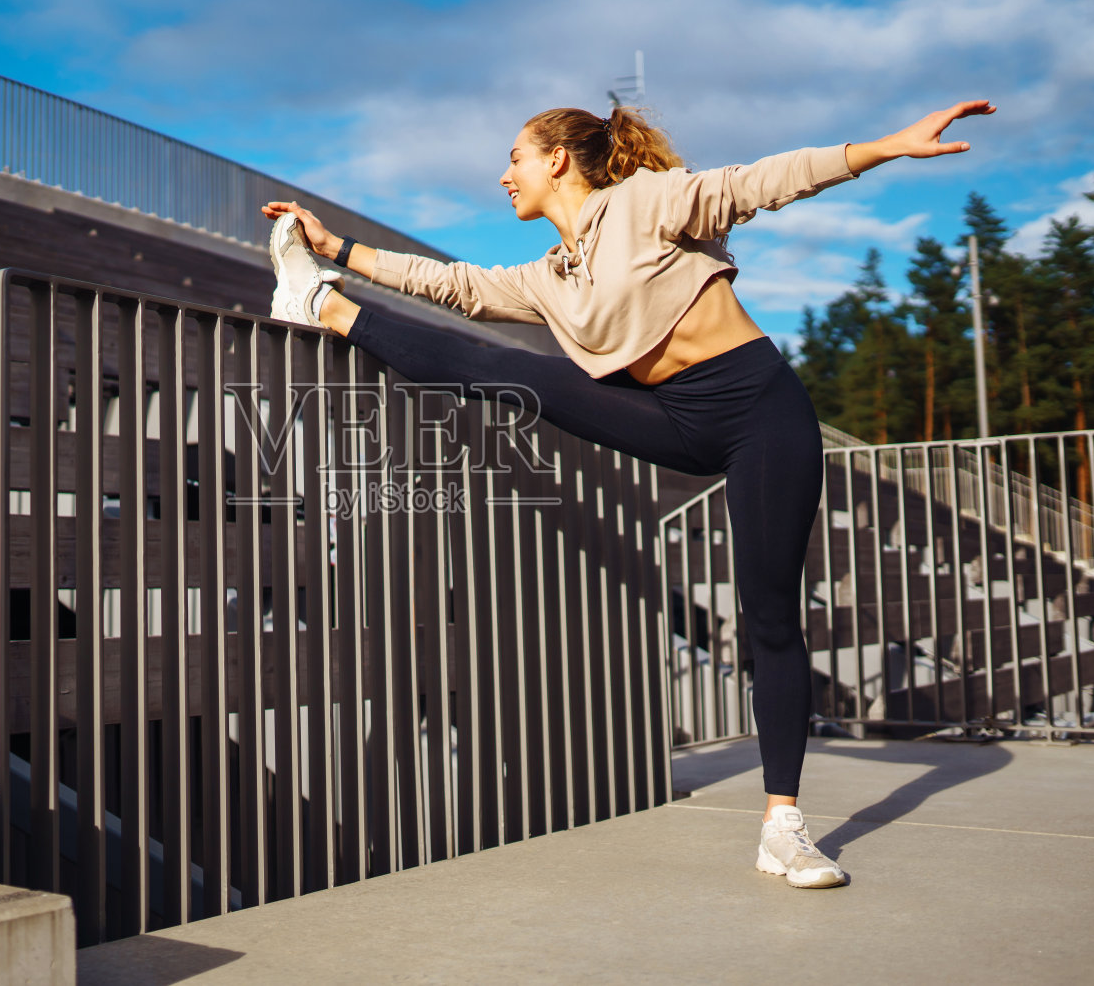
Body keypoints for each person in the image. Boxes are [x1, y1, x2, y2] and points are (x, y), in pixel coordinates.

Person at [261, 99, 995, 888]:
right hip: (673, 420)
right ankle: (321, 301)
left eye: (514, 156)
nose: (503, 173)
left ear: (556, 161)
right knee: (518, 373)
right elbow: (457, 285)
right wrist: (339, 250)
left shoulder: (645, 201)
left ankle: (783, 824)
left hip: (761, 415)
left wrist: (886, 147)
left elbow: (766, 181)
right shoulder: (550, 277)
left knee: (770, 616)